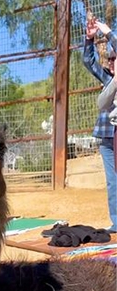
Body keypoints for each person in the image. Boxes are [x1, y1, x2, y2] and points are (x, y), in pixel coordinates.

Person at [85, 18, 117, 233]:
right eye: (111, 60)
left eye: (116, 58)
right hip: (107, 138)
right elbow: (88, 61)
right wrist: (89, 39)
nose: (113, 62)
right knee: (112, 183)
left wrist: (108, 33)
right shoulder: (107, 78)